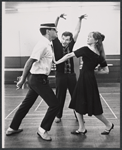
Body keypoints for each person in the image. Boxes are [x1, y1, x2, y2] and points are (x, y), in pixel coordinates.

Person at [6, 23, 60, 141]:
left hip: (37, 79)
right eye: (55, 30)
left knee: (26, 104)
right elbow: (29, 62)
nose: (57, 32)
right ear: (48, 31)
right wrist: (22, 80)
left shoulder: (47, 43)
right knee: (55, 105)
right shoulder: (42, 44)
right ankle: (42, 130)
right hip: (38, 79)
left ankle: (12, 127)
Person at [55, 31, 114, 135]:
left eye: (90, 37)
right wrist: (93, 71)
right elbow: (106, 71)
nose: (87, 38)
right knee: (78, 104)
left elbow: (69, 55)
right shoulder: (99, 54)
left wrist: (57, 62)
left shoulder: (85, 50)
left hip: (85, 80)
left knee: (93, 107)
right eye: (88, 36)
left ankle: (108, 124)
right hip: (88, 79)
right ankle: (82, 128)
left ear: (96, 40)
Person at [52, 13, 87, 123]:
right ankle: (58, 115)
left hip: (71, 75)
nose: (65, 41)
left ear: (70, 40)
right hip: (60, 76)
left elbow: (77, 31)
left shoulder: (71, 45)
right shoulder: (57, 44)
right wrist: (57, 18)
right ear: (61, 38)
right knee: (60, 96)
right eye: (64, 39)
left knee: (75, 95)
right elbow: (53, 29)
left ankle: (78, 114)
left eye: (67, 39)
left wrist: (79, 19)